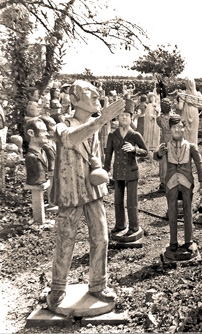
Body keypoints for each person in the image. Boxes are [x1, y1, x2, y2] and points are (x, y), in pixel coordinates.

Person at [47, 80, 125, 309]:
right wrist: (101, 120)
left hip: (92, 191)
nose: (96, 97)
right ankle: (58, 287)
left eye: (97, 95)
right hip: (71, 192)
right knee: (65, 240)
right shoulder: (61, 124)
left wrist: (98, 168)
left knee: (101, 237)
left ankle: (98, 284)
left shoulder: (94, 127)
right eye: (90, 94)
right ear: (74, 100)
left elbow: (95, 155)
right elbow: (70, 138)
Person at [153, 115, 202, 253]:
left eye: (180, 127)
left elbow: (200, 163)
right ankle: (173, 241)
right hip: (171, 182)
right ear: (170, 129)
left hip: (186, 182)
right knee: (172, 211)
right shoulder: (165, 146)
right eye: (174, 127)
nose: (177, 130)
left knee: (188, 210)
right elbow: (156, 157)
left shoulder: (191, 146)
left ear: (184, 128)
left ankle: (189, 240)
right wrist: (158, 153)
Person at [104, 108, 148, 235]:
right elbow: (108, 154)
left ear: (131, 118)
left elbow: (145, 152)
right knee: (118, 200)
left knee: (131, 201)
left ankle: (134, 227)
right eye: (122, 115)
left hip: (132, 172)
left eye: (127, 116)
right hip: (117, 172)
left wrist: (134, 150)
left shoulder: (135, 135)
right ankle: (120, 225)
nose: (124, 118)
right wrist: (105, 170)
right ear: (117, 118)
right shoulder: (112, 135)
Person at [155, 98, 174, 192]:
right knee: (171, 159)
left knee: (163, 160)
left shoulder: (159, 119)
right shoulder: (173, 117)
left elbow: (159, 123)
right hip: (172, 138)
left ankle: (163, 181)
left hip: (163, 138)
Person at [24, 117, 49, 186]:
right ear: (31, 133)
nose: (47, 134)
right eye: (43, 131)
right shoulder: (31, 157)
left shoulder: (43, 152)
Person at [177, 77, 201, 145]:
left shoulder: (183, 94)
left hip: (186, 112)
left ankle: (185, 146)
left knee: (185, 130)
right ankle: (194, 146)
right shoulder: (198, 94)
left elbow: (180, 107)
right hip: (194, 112)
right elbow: (200, 106)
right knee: (194, 131)